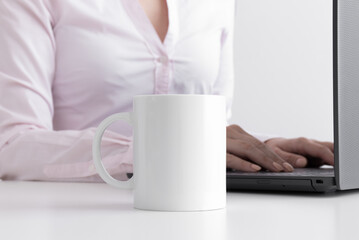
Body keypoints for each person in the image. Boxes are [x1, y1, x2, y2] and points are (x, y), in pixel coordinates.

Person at [0, 0, 334, 182]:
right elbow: (11, 146)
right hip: (73, 216)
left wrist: (263, 148)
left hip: (196, 212)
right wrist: (150, 150)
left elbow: (212, 125)